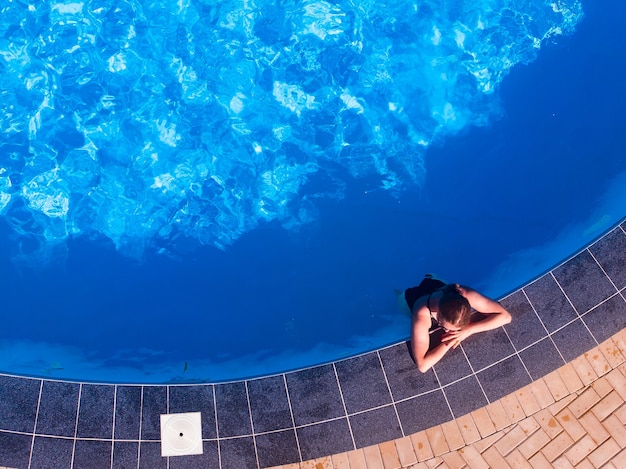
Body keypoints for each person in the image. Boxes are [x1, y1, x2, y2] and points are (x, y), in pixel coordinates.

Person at [405, 274, 512, 373]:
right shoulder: (421, 315)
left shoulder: (463, 293)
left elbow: (506, 317)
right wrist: (452, 340)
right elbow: (422, 366)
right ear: (438, 315)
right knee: (399, 298)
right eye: (444, 326)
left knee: (433, 279)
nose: (448, 331)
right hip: (411, 298)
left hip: (437, 284)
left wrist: (470, 329)